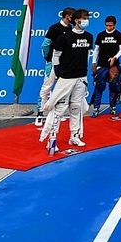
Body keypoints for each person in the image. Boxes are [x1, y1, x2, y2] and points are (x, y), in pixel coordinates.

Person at [39, 10, 92, 150]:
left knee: (76, 107)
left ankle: (74, 136)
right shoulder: (64, 37)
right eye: (83, 18)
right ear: (76, 20)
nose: (86, 21)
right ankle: (52, 138)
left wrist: (85, 72)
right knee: (59, 109)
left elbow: (87, 55)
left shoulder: (89, 37)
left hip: (81, 77)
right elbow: (56, 55)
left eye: (87, 18)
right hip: (66, 77)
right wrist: (56, 70)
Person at [36, 7, 75, 127]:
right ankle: (40, 113)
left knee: (60, 89)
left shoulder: (70, 28)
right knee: (46, 88)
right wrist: (48, 59)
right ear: (68, 16)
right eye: (73, 16)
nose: (74, 19)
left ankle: (55, 114)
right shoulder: (54, 28)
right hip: (52, 63)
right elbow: (45, 45)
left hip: (63, 64)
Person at [91, 15, 121, 119]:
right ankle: (96, 108)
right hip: (101, 65)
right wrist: (93, 63)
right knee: (99, 87)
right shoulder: (101, 35)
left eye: (110, 25)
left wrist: (115, 57)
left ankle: (113, 107)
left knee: (114, 87)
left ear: (114, 24)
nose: (108, 27)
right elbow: (96, 50)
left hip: (114, 66)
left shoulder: (119, 35)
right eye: (107, 25)